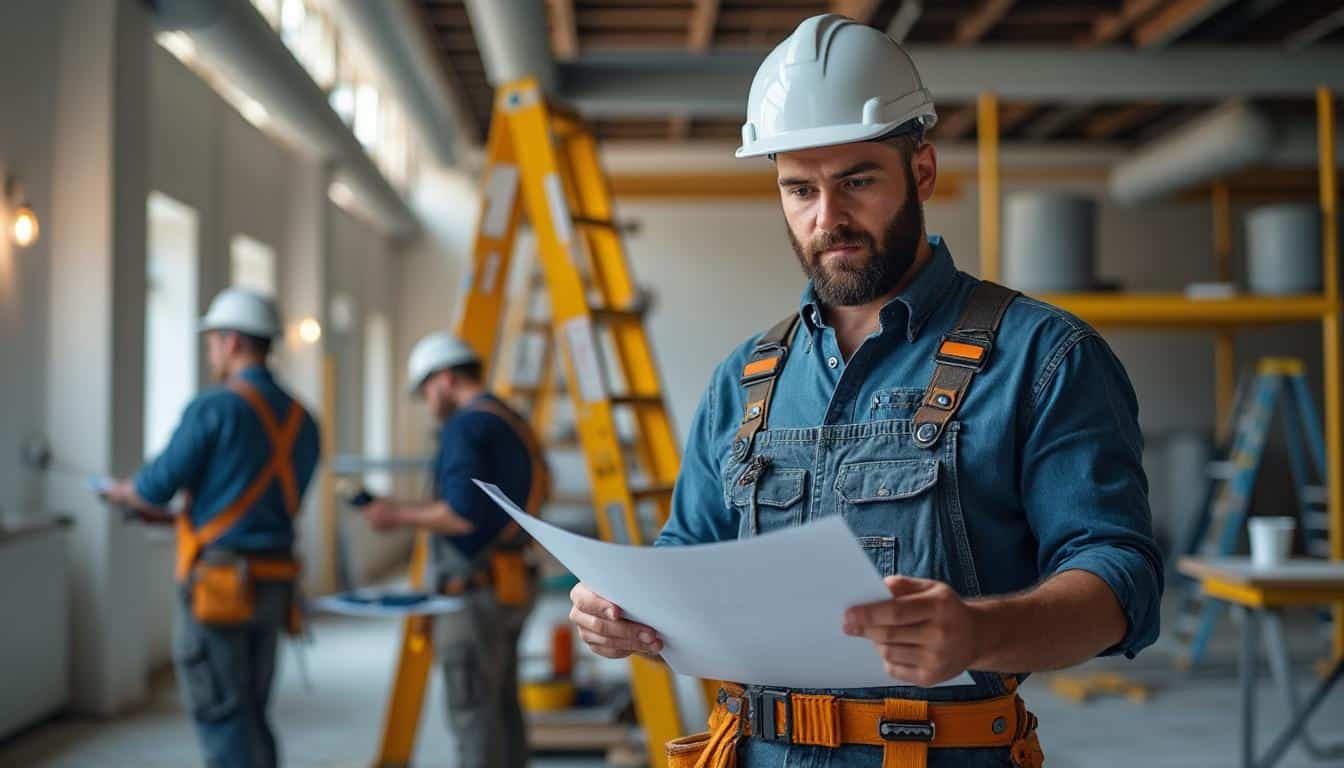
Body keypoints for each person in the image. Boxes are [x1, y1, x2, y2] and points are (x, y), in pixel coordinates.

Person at [567, 14, 1163, 768]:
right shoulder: (746, 379)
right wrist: (626, 614)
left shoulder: (1043, 355)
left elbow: (1120, 576)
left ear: (921, 171)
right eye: (799, 189)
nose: (828, 218)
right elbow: (689, 555)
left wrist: (978, 631)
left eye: (856, 181)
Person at [104, 288, 320, 768]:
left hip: (219, 586)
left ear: (233, 341)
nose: (209, 351)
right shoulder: (304, 422)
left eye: (212, 340)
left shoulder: (215, 408)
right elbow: (265, 502)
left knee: (223, 715)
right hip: (275, 583)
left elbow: (156, 485)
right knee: (251, 710)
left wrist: (124, 492)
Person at [361, 331, 548, 768]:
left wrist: (396, 515)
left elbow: (462, 516)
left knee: (473, 715)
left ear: (445, 378)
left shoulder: (464, 425)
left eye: (426, 389)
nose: (427, 401)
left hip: (473, 594)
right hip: (511, 581)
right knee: (502, 706)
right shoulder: (509, 419)